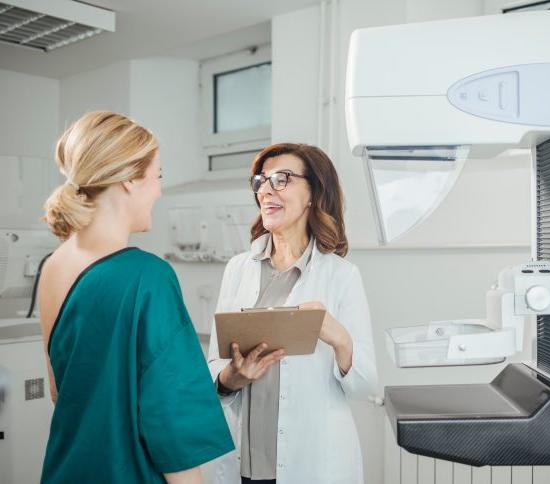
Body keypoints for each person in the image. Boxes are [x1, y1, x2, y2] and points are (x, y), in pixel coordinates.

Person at [38, 111, 234, 483]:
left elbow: (59, 392)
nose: (159, 190)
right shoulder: (148, 277)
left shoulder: (54, 265)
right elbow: (174, 427)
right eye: (157, 176)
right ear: (129, 179)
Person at [208, 143, 379, 484]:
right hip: (246, 462)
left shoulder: (341, 276)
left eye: (281, 179)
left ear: (314, 193)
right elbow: (214, 364)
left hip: (312, 461)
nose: (266, 190)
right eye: (261, 181)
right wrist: (231, 378)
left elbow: (365, 386)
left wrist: (340, 338)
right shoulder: (239, 269)